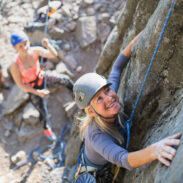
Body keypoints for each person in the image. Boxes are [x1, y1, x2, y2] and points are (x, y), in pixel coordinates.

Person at [73, 33, 181, 182]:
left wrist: (142, 36)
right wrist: (154, 150)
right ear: (91, 111)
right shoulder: (97, 136)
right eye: (99, 98)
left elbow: (117, 67)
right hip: (94, 175)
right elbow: (123, 159)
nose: (109, 97)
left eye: (107, 90)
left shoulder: (109, 99)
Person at [10, 30, 73, 141]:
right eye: (20, 46)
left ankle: (76, 94)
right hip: (31, 87)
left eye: (26, 44)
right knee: (42, 109)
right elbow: (21, 85)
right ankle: (46, 129)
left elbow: (53, 55)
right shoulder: (15, 65)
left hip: (41, 77)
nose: (24, 47)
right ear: (15, 48)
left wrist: (47, 45)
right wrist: (38, 93)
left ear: (29, 42)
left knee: (65, 79)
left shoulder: (35, 51)